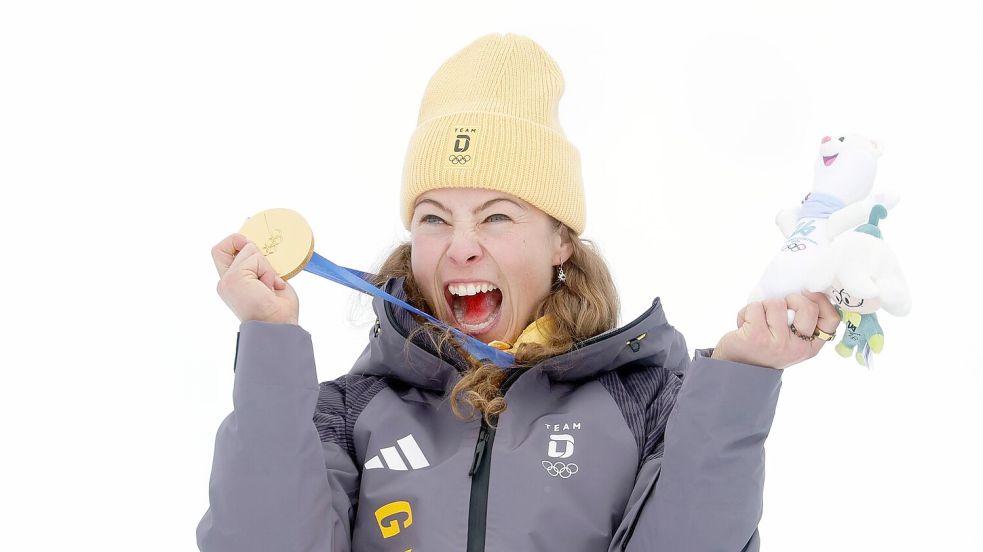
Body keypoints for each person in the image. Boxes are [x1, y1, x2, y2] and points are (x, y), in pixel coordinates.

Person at [197, 32, 839, 552]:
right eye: (434, 217)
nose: (461, 246)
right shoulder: (346, 414)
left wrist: (740, 381)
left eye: (497, 216)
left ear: (561, 240)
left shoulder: (647, 405)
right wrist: (270, 342)